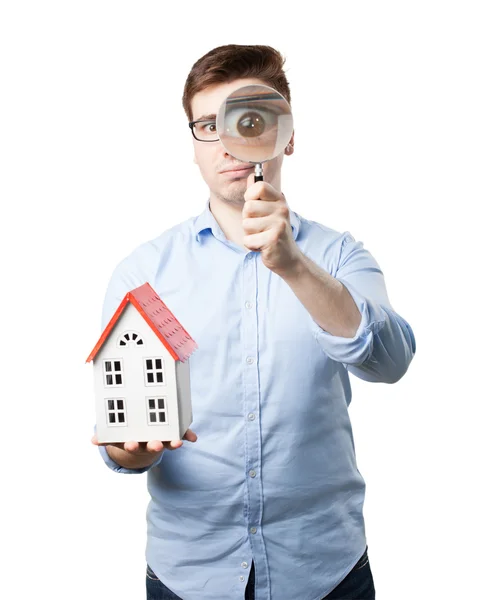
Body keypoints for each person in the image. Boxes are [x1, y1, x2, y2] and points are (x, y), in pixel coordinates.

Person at [92, 44, 416, 600]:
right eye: (207, 125)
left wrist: (295, 267)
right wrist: (131, 450)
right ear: (193, 145)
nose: (228, 144)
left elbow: (389, 362)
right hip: (188, 572)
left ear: (286, 133)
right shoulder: (143, 272)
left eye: (247, 120)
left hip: (324, 571)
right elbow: (117, 441)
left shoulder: (340, 257)